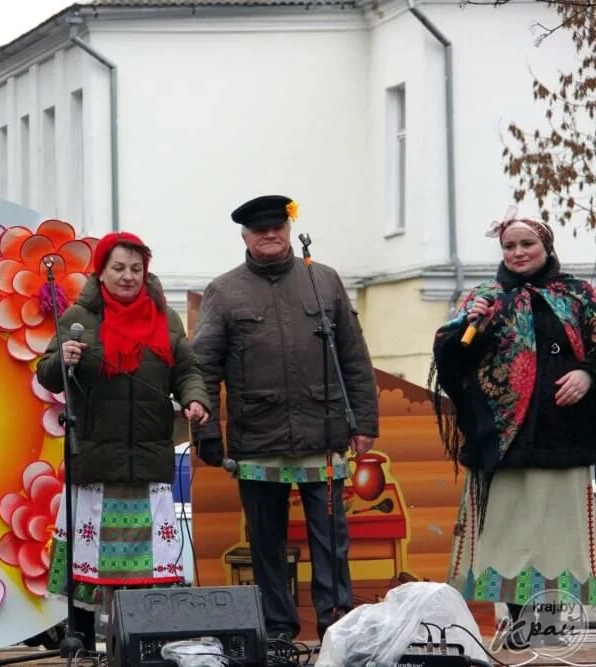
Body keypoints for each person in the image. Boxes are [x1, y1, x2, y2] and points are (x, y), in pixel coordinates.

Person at [192, 195, 379, 642]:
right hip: (257, 437)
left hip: (325, 432)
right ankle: (278, 629)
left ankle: (337, 625)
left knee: (331, 540)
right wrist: (206, 431)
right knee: (266, 545)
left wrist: (365, 422)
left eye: (277, 226)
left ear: (289, 230)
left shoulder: (324, 281)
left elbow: (354, 355)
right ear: (245, 237)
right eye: (260, 230)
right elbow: (202, 367)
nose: (270, 234)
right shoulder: (224, 291)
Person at [36, 231, 210, 650]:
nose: (128, 276)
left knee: (149, 555)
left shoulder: (165, 318)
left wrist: (194, 398)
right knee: (89, 548)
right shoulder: (79, 316)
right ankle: (78, 632)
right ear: (101, 271)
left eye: (136, 268)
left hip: (149, 455)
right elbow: (46, 373)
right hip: (95, 454)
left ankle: (145, 638)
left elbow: (186, 369)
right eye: (118, 268)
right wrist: (65, 360)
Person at [431, 212, 596, 650]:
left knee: (558, 534)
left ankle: (555, 618)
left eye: (528, 245)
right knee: (512, 534)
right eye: (510, 246)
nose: (519, 253)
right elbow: (451, 361)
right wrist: (474, 328)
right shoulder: (486, 298)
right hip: (505, 441)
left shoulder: (579, 296)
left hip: (566, 437)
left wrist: (587, 375)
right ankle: (519, 621)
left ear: (547, 247)